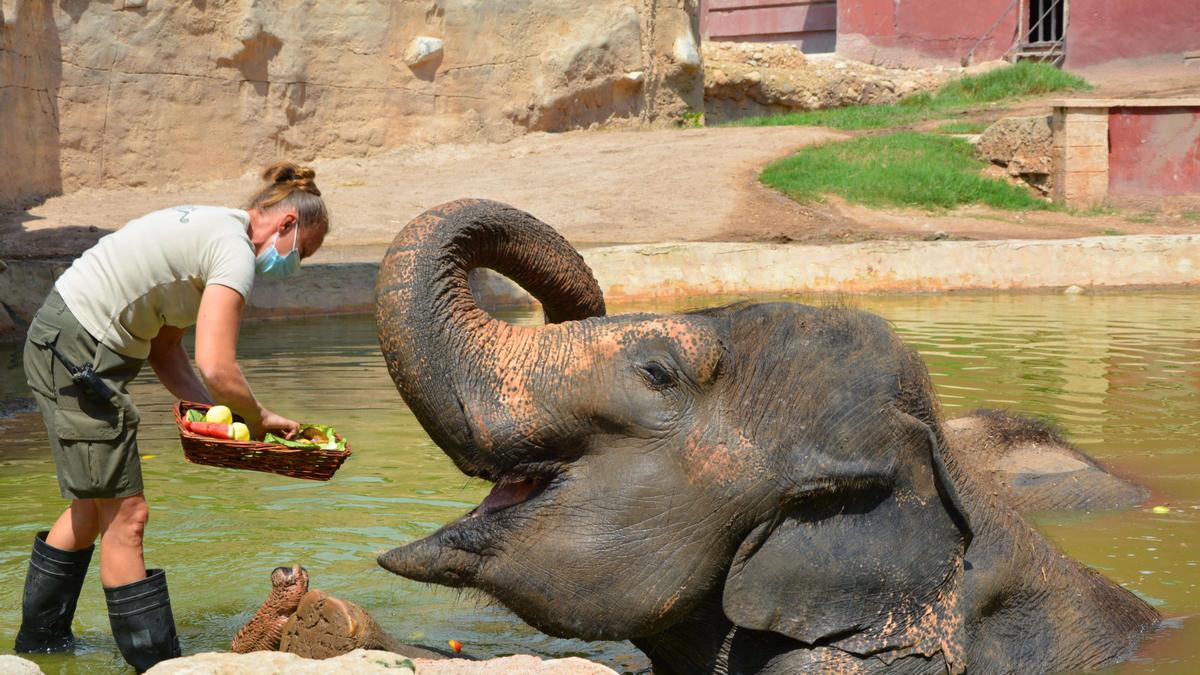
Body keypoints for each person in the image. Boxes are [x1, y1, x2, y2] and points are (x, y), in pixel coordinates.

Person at [14, 162, 330, 672]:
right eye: (304, 251)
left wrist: (212, 416)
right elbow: (217, 366)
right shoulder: (233, 251)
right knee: (129, 518)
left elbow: (165, 349)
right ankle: (159, 666)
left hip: (68, 343)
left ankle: (40, 648)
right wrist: (258, 417)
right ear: (287, 223)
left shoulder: (216, 229)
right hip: (77, 354)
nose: (296, 264)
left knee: (95, 510)